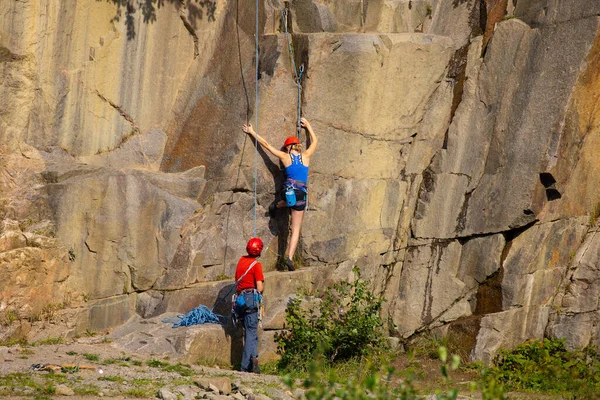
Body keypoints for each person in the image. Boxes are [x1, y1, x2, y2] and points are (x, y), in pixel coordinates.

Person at [242, 117, 318, 271]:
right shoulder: (306, 156)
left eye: (285, 148)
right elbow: (315, 141)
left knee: (288, 200)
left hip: (288, 193)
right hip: (301, 196)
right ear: (298, 146)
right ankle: (289, 258)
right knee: (295, 229)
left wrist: (251, 131)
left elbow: (267, 146)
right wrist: (308, 126)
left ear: (289, 148)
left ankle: (277, 205)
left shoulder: (285, 157)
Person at [234, 237, 265, 373]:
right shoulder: (256, 265)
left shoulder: (241, 260)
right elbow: (259, 287)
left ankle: (254, 359)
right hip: (251, 299)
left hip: (240, 299)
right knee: (251, 332)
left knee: (250, 332)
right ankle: (245, 367)